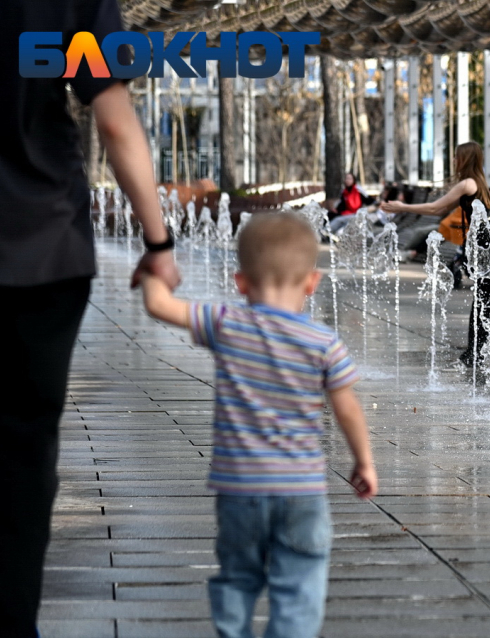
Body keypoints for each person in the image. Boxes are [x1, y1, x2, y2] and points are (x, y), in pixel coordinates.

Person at [0, 2, 181, 635]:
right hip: (42, 246)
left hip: (44, 247)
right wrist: (157, 243)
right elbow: (114, 118)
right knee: (25, 447)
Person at [140, 212, 377, 638]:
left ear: (240, 282)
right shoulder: (324, 343)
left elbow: (158, 305)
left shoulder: (227, 323)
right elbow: (348, 409)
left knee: (237, 578)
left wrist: (155, 265)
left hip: (239, 491)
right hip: (300, 491)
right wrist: (364, 462)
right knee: (300, 583)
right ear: (311, 282)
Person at [382, 141, 490, 372]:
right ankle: (474, 355)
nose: (454, 161)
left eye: (457, 157)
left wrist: (402, 207)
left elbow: (435, 208)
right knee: (484, 302)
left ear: (465, 159)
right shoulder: (478, 182)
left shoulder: (468, 183)